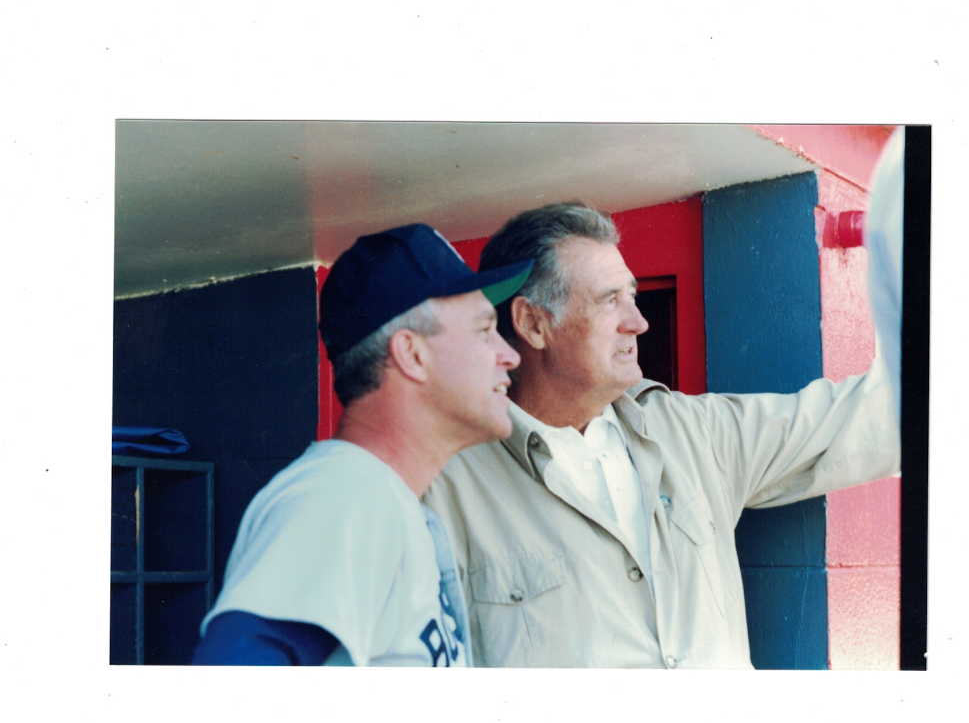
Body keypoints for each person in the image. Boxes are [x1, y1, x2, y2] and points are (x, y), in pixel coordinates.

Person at [423, 202, 900, 669]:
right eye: (610, 300)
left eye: (631, 296)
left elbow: (867, 418)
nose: (639, 321)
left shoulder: (695, 435)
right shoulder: (445, 485)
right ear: (533, 323)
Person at [192, 223, 532, 666]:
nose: (510, 354)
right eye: (484, 330)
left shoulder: (380, 499)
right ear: (412, 354)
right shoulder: (343, 496)